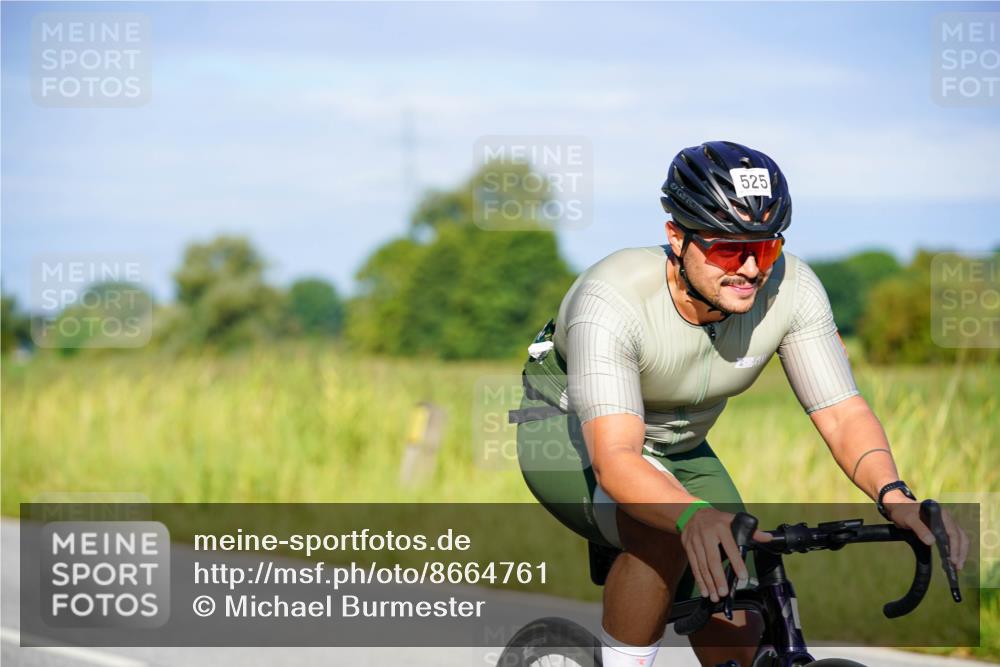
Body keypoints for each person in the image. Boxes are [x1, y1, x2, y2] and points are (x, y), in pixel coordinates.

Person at [512, 141, 969, 667]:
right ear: (676, 237)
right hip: (569, 434)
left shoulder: (792, 290)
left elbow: (842, 413)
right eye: (729, 250)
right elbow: (617, 459)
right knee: (662, 533)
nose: (752, 269)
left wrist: (895, 494)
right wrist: (689, 516)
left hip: (679, 443)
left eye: (767, 248)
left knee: (738, 590)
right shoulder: (611, 300)